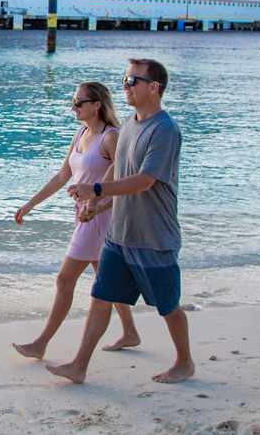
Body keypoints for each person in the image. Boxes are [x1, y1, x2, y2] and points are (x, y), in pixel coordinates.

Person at [48, 58, 194, 385]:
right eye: (125, 80)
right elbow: (119, 169)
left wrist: (96, 188)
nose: (125, 86)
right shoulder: (128, 124)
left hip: (153, 235)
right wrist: (96, 204)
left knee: (168, 305)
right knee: (101, 296)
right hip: (118, 234)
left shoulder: (165, 130)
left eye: (132, 81)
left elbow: (144, 180)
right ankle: (79, 365)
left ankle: (185, 362)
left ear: (154, 87)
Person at [12, 82, 139, 360]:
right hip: (83, 216)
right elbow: (62, 176)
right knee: (104, 277)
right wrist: (30, 204)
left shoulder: (111, 137)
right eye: (73, 101)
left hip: (100, 218)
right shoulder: (80, 133)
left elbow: (121, 180)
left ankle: (41, 343)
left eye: (79, 102)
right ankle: (130, 332)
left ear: (97, 105)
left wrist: (96, 202)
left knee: (64, 278)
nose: (73, 106)